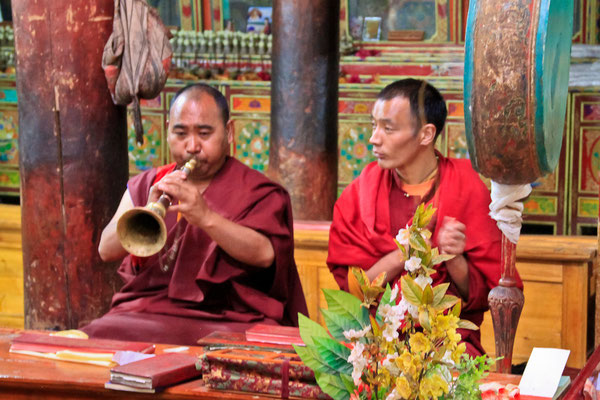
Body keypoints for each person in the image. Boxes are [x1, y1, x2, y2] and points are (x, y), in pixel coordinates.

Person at [82, 83, 307, 345]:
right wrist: (145, 212)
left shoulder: (258, 191)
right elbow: (105, 250)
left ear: (229, 132)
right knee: (94, 337)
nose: (192, 146)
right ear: (167, 130)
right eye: (180, 133)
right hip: (150, 313)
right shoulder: (149, 183)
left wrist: (206, 218)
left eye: (204, 133)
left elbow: (265, 254)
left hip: (229, 318)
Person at [327, 78, 522, 356]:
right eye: (374, 126)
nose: (374, 138)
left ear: (426, 134)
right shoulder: (361, 193)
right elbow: (354, 294)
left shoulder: (465, 187)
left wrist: (453, 258)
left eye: (388, 128)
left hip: (448, 346)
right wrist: (403, 254)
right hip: (375, 343)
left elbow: (484, 294)